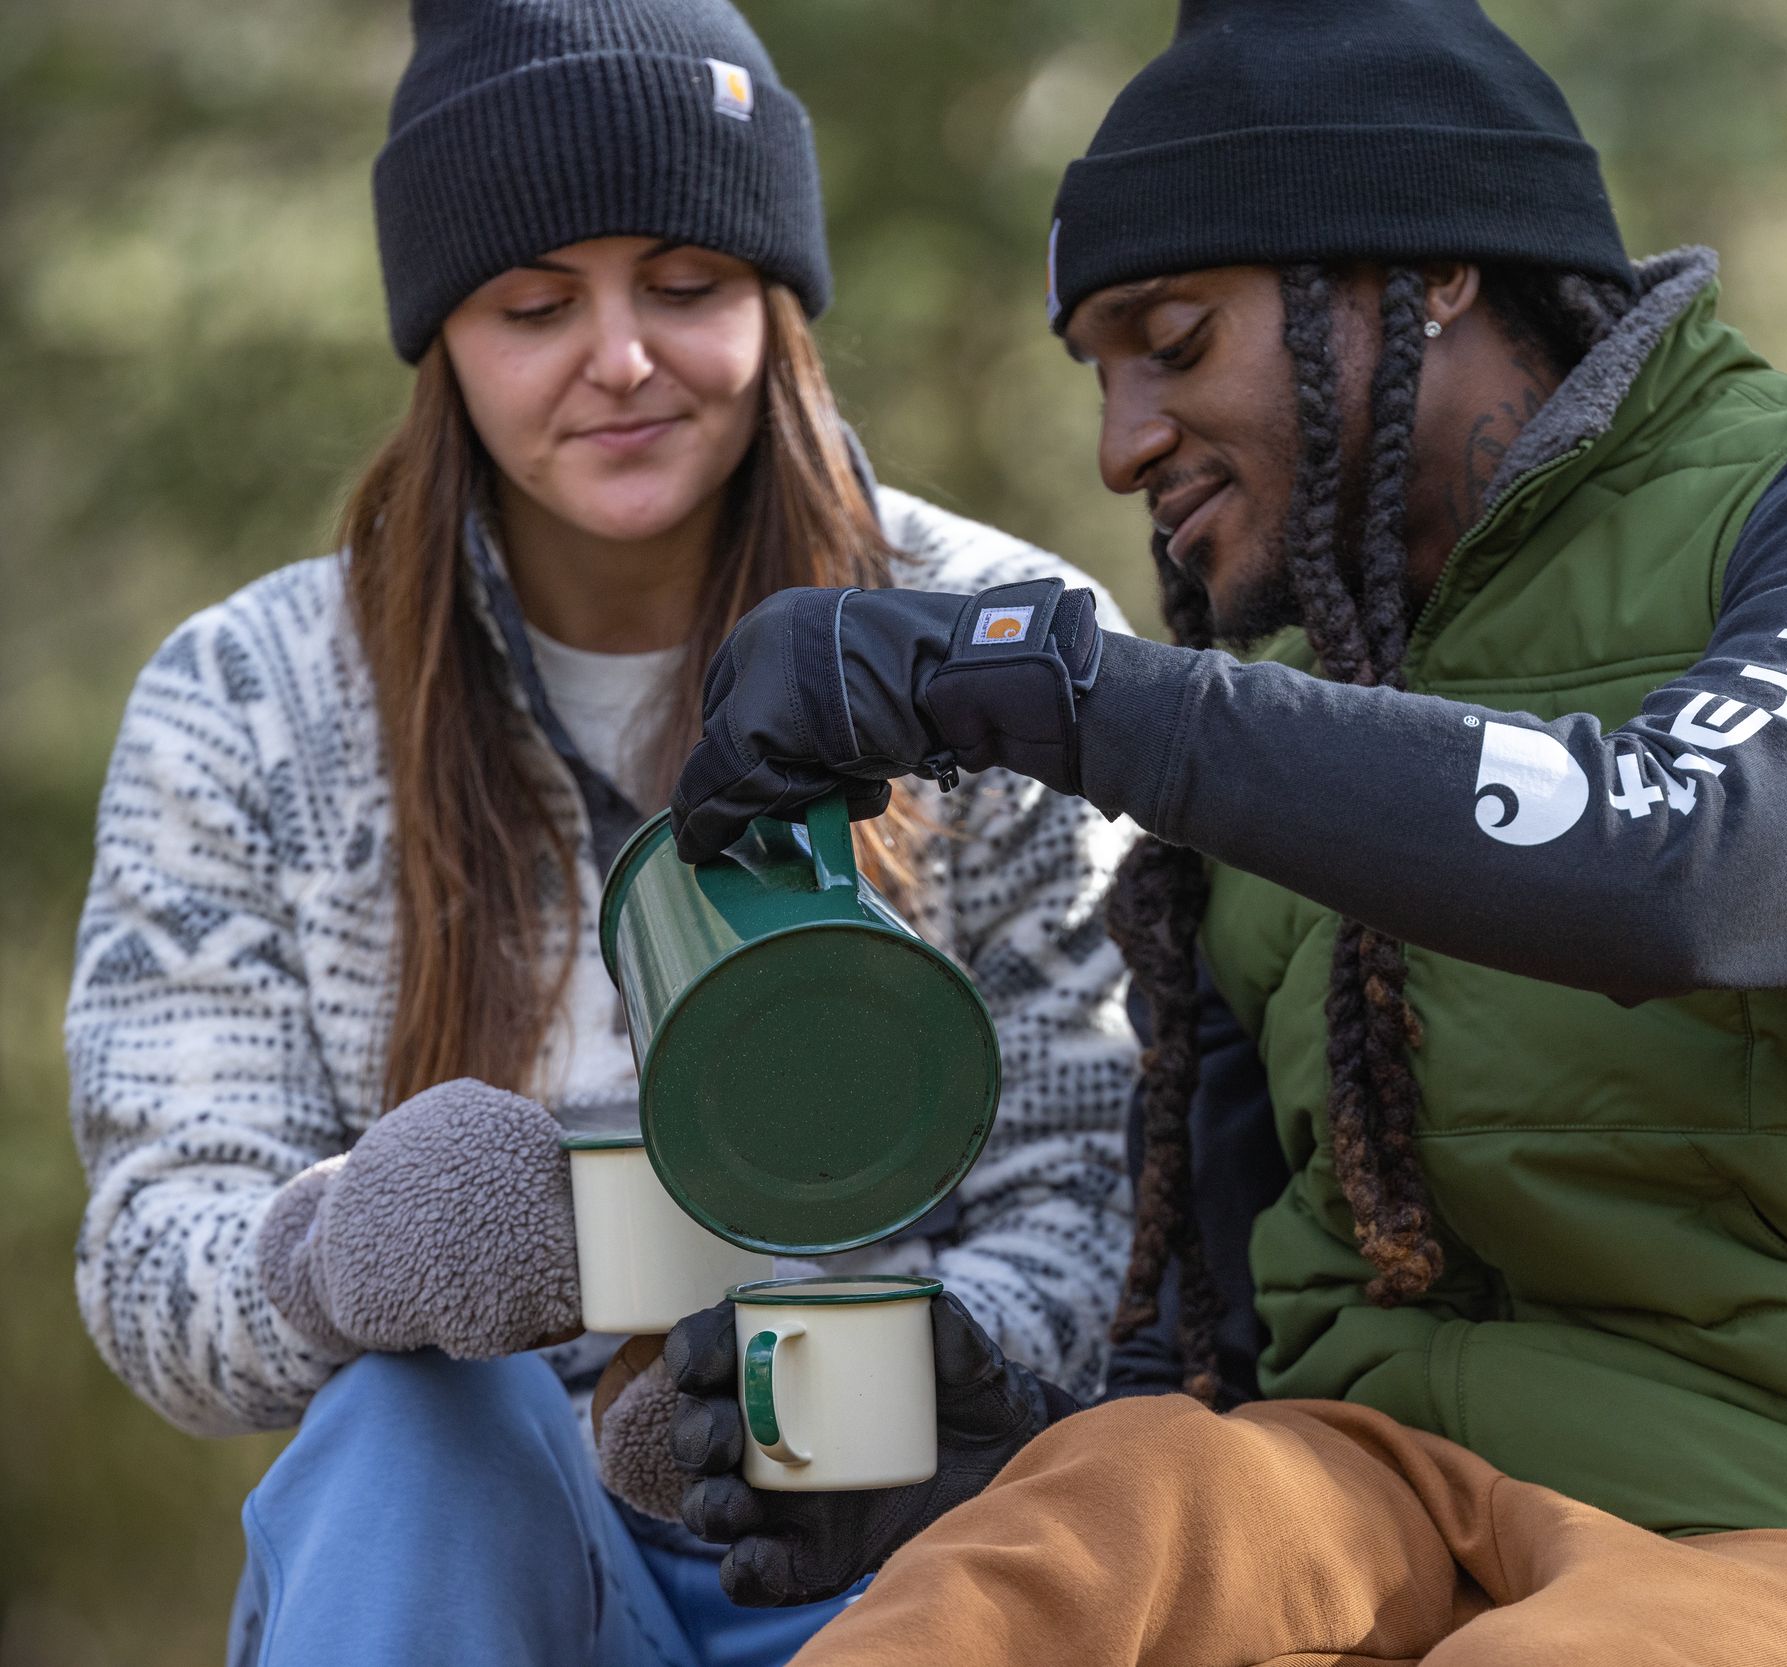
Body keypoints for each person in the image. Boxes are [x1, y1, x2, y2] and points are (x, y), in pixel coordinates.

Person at [648, 2, 1787, 1665]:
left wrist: (1035, 685)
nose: (1121, 447)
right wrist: (991, 1457)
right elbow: (1222, 1334)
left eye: (1173, 344)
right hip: (1377, 1492)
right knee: (1050, 1563)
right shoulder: (1279, 725)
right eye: (1099, 378)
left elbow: (1694, 854)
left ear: (1430, 271)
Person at [61, 2, 1137, 1663]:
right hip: (463, 1556)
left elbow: (1098, 1184)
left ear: (779, 301)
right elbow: (152, 1258)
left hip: (901, 1548)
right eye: (534, 304)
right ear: (443, 341)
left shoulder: (991, 644)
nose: (621, 358)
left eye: (688, 286)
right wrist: (341, 1256)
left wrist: (877, 1381)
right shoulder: (248, 700)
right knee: (415, 1427)